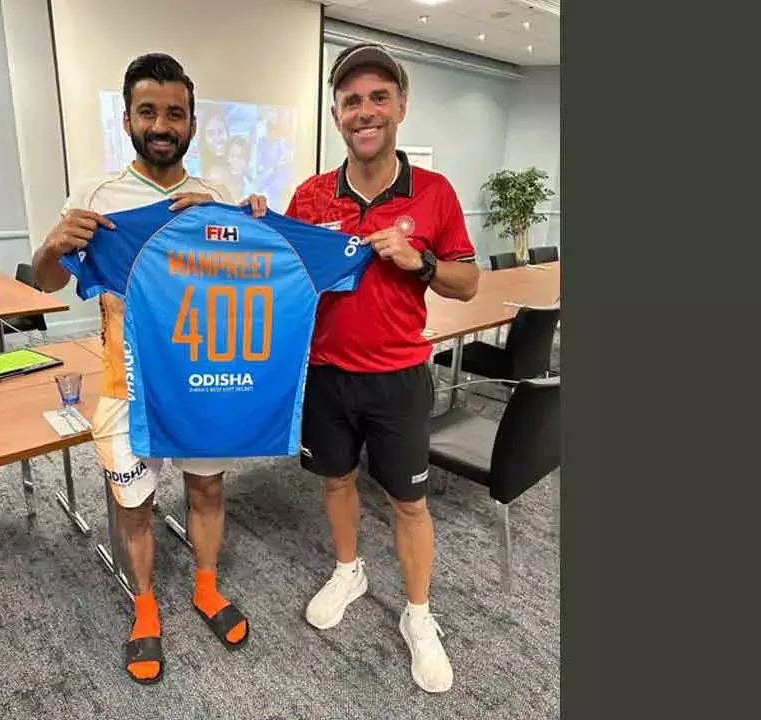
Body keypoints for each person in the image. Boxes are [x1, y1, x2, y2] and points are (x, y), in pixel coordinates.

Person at [31, 53, 267, 685]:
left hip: (201, 380)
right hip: (126, 384)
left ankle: (207, 587)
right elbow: (49, 283)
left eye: (174, 113)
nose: (162, 125)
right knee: (132, 503)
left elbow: (249, 279)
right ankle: (144, 606)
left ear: (191, 123)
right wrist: (54, 243)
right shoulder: (96, 197)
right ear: (127, 119)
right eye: (148, 111)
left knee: (208, 489)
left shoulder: (217, 197)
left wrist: (242, 222)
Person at [284, 42, 480, 694]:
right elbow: (282, 272)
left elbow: (468, 283)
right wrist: (254, 224)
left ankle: (418, 615)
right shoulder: (311, 195)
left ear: (400, 106)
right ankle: (350, 570)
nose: (364, 111)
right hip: (326, 374)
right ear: (336, 115)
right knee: (335, 481)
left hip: (399, 377)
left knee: (409, 502)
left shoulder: (434, 193)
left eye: (378, 97)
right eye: (351, 101)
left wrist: (418, 261)